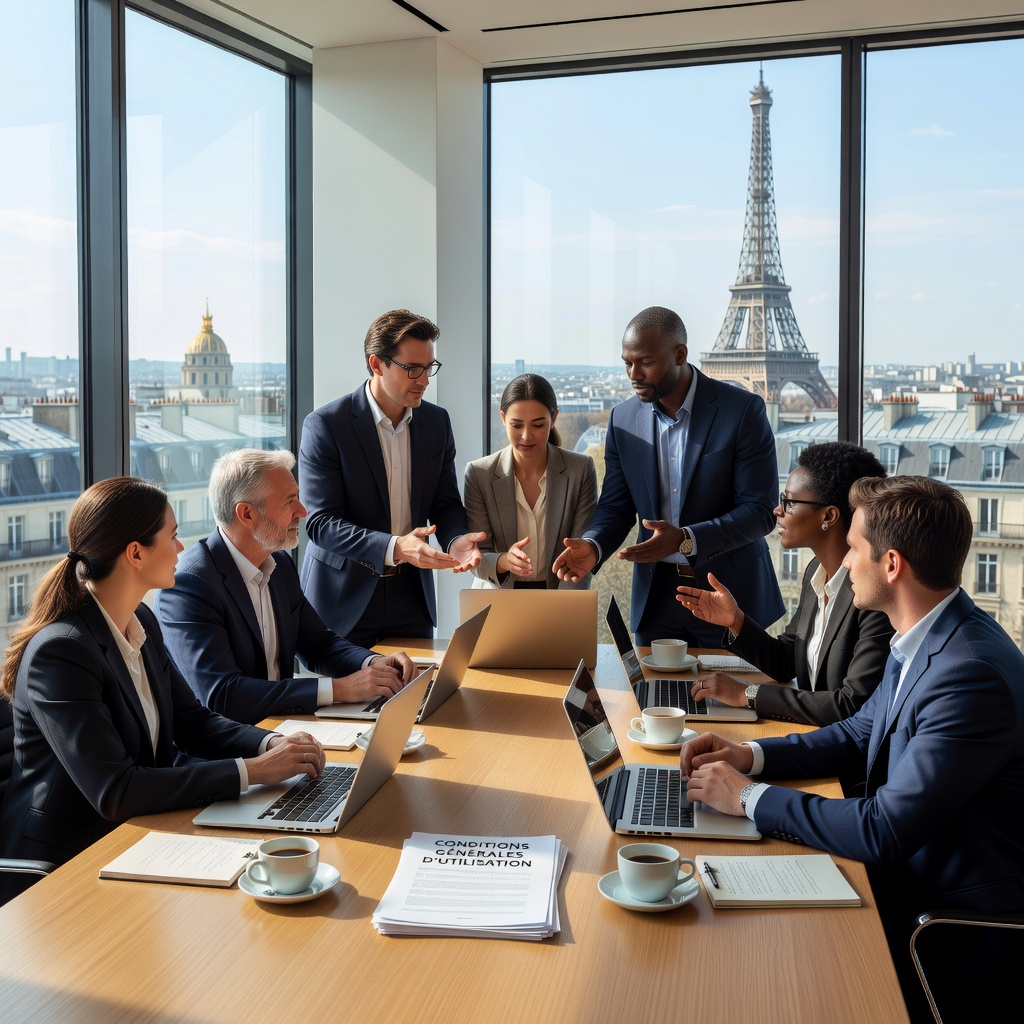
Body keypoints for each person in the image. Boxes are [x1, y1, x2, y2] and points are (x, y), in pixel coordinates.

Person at [681, 475, 1024, 1019]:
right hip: (901, 878)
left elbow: (884, 829)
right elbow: (860, 731)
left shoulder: (969, 674)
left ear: (892, 565)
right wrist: (752, 757)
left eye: (856, 548)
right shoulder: (925, 632)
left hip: (942, 922)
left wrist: (747, 798)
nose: (844, 562)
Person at [0, 478, 325, 903]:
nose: (182, 549)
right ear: (135, 553)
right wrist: (254, 771)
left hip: (138, 837)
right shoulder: (61, 652)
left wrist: (271, 743)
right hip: (64, 865)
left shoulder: (142, 623)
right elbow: (115, 791)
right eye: (171, 537)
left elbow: (192, 722)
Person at [552, 305, 783, 645]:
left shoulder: (742, 411)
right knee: (652, 696)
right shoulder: (623, 420)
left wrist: (686, 538)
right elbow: (616, 507)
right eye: (627, 363)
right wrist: (593, 544)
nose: (634, 374)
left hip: (729, 597)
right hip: (657, 599)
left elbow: (760, 512)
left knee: (729, 697)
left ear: (680, 354)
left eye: (645, 362)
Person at [155, 449, 417, 724]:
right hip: (228, 754)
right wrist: (339, 689)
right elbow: (222, 696)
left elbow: (317, 643)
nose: (303, 511)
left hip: (281, 730)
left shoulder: (278, 563)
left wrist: (373, 664)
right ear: (246, 514)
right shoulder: (190, 584)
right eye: (289, 501)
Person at [298, 309, 484, 646]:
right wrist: (395, 547)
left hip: (411, 598)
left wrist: (456, 540)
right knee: (347, 699)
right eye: (413, 369)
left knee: (414, 696)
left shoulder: (437, 422)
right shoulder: (326, 425)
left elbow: (445, 502)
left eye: (429, 368)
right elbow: (321, 523)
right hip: (343, 599)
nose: (425, 380)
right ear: (376, 364)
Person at [677, 441, 893, 726]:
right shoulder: (816, 572)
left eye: (789, 502)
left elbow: (849, 705)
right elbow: (786, 661)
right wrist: (736, 620)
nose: (777, 510)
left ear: (828, 516)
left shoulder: (872, 594)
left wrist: (748, 694)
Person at [464, 374, 598, 590]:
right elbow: (477, 556)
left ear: (553, 418)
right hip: (498, 595)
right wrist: (503, 561)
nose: (526, 436)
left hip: (561, 594)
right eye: (517, 425)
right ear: (502, 418)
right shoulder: (479, 474)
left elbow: (581, 554)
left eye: (537, 425)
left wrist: (568, 611)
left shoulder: (580, 470)